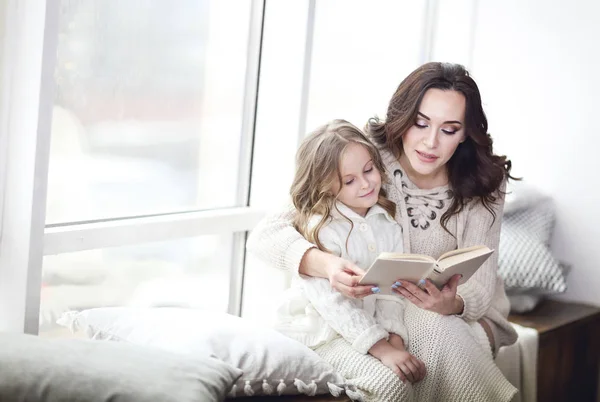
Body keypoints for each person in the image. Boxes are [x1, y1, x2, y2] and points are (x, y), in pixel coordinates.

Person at [248, 62, 517, 401]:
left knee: (434, 327)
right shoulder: (366, 158)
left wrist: (453, 302)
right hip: (380, 312)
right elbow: (265, 234)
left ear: (465, 134)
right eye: (420, 123)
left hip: (459, 316)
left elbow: (480, 287)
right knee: (418, 345)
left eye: (449, 129)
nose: (430, 142)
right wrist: (327, 265)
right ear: (403, 119)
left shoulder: (484, 179)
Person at [275, 120, 425, 384]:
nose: (366, 184)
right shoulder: (322, 229)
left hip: (371, 330)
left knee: (412, 376)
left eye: (369, 170)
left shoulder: (386, 222)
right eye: (349, 181)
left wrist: (396, 339)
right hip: (322, 333)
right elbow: (333, 305)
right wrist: (382, 349)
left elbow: (392, 290)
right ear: (325, 185)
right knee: (389, 384)